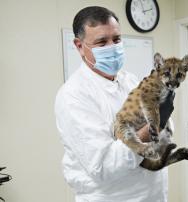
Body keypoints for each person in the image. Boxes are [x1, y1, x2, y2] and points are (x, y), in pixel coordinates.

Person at [55, 6, 173, 202]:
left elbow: (164, 133)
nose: (112, 47)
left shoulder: (130, 81)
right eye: (102, 42)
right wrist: (155, 124)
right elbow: (104, 166)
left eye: (116, 40)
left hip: (154, 194)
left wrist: (162, 119)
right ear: (79, 45)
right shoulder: (73, 95)